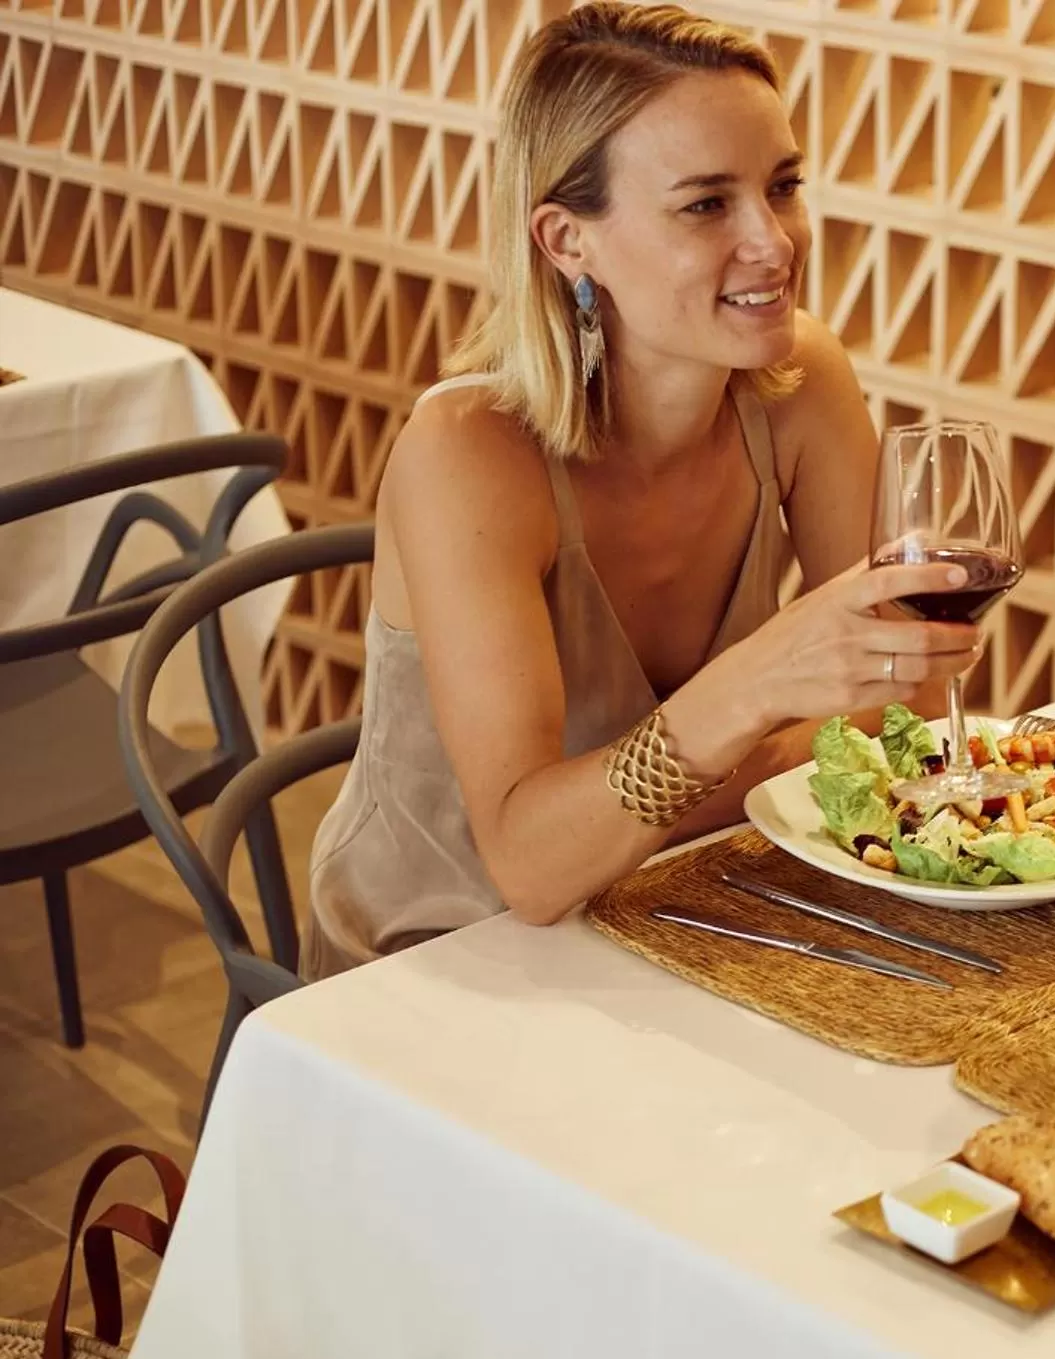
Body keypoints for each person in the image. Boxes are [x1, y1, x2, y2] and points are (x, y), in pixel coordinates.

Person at [304, 5, 983, 977]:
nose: (774, 240)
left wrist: (690, 776)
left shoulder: (799, 382)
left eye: (781, 186)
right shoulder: (467, 450)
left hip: (691, 898)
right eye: (706, 204)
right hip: (448, 954)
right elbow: (529, 864)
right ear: (566, 240)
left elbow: (908, 699)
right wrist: (761, 688)